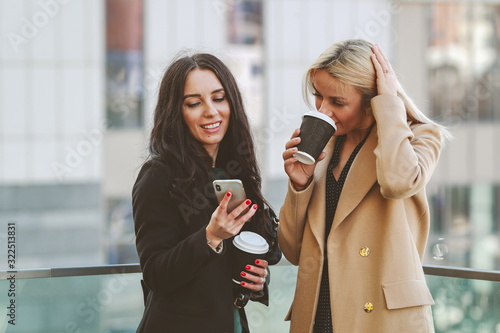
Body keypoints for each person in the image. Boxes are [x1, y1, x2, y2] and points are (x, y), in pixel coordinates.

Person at [279, 39, 450, 332]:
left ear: (374, 102)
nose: (323, 110)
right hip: (319, 314)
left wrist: (389, 107)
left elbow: (398, 182)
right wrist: (299, 185)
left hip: (380, 317)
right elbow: (294, 252)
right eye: (318, 96)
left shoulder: (419, 137)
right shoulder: (322, 146)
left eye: (338, 102)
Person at [132, 52, 276, 333]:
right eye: (194, 103)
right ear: (177, 112)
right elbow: (155, 273)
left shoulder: (233, 172)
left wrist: (257, 281)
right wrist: (211, 236)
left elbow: (245, 256)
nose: (210, 111)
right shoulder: (158, 175)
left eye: (219, 98)